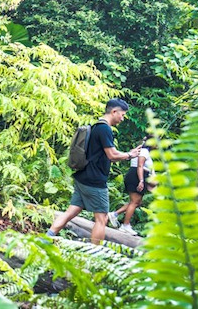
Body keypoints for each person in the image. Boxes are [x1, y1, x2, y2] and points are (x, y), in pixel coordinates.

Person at [47, 98, 141, 244]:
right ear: (114, 111)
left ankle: (48, 236)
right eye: (122, 115)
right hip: (94, 181)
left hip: (83, 177)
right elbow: (113, 155)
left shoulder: (96, 125)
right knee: (101, 219)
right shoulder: (105, 129)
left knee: (71, 211)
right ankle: (95, 253)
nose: (122, 118)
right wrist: (130, 155)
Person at [109, 135, 156, 235]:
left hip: (139, 175)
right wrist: (141, 180)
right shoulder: (143, 151)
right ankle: (125, 225)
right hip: (136, 176)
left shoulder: (144, 151)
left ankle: (114, 214)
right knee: (134, 202)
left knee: (136, 202)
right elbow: (140, 166)